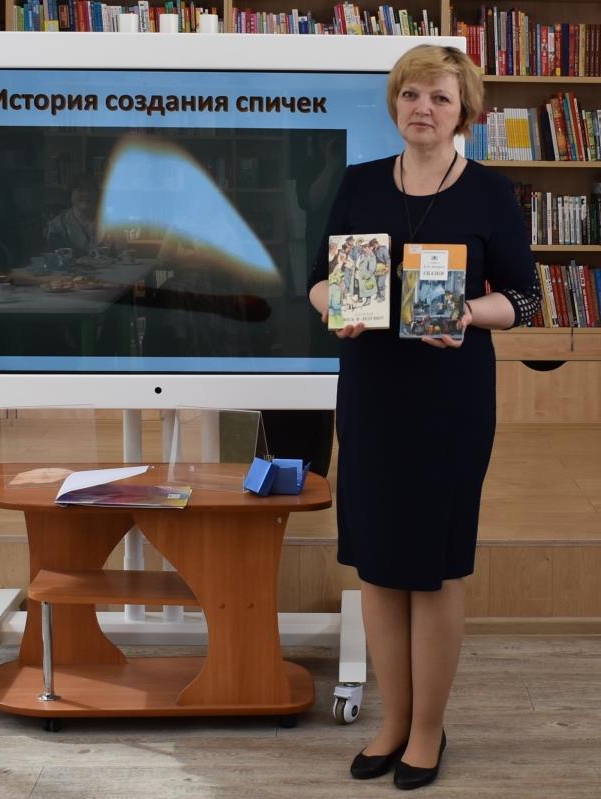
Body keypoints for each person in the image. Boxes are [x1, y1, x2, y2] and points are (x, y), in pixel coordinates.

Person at [307, 45, 540, 790]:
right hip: (372, 394)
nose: (423, 108)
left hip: (450, 400)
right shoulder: (359, 182)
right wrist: (335, 308)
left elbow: (526, 298)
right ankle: (392, 723)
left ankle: (429, 732)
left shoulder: (491, 193)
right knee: (377, 565)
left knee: (433, 569)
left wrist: (469, 312)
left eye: (439, 97)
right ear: (395, 104)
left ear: (464, 110)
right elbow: (318, 281)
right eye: (411, 94)